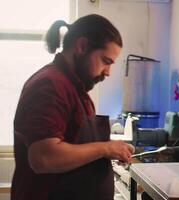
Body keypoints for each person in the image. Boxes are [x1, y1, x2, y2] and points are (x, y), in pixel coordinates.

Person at [11, 14, 134, 200]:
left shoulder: (74, 87)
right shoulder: (50, 85)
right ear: (82, 46)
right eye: (105, 61)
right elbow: (44, 158)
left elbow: (76, 148)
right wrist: (105, 149)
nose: (108, 72)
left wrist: (110, 150)